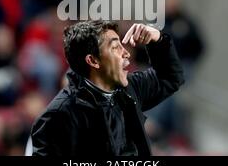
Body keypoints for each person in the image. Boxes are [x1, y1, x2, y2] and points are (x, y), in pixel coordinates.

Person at [30, 20, 185, 156]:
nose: (126, 54)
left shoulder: (129, 88)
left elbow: (171, 78)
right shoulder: (58, 116)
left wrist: (157, 39)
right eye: (115, 47)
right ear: (93, 60)